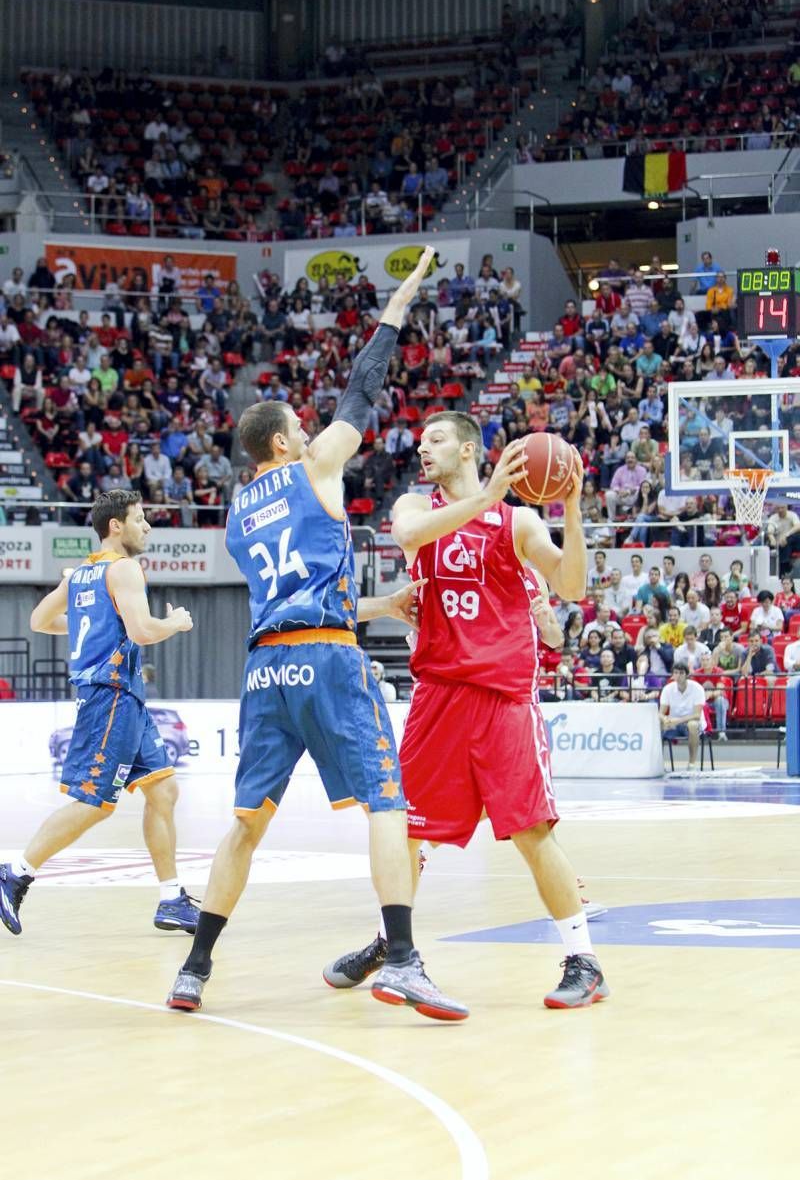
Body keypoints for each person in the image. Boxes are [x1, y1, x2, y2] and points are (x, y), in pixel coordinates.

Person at [166, 247, 469, 1021]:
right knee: (387, 804)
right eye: (299, 428)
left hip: (267, 669)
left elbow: (290, 594)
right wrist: (399, 302)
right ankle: (401, 959)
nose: (312, 432)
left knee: (245, 825)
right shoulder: (313, 468)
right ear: (280, 444)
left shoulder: (238, 514)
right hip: (329, 664)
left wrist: (375, 605)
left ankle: (195, 967)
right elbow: (363, 387)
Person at [324, 411, 609, 1009]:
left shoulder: (519, 521)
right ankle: (392, 944)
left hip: (504, 696)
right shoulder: (413, 508)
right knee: (400, 828)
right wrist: (485, 496)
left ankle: (585, 960)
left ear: (470, 448)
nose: (423, 448)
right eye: (422, 441)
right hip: (437, 695)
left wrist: (574, 507)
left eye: (437, 439)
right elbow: (408, 537)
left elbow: (574, 587)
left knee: (532, 832)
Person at [0, 491, 197, 936]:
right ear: (115, 526)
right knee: (94, 804)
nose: (147, 526)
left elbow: (39, 621)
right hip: (109, 697)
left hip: (126, 697)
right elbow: (145, 631)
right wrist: (177, 622)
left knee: (163, 792)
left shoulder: (82, 575)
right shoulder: (125, 568)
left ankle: (172, 899)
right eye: (140, 519)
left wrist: (94, 618)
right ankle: (15, 871)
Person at [660, 663, 706, 769]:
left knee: (693, 725)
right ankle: (659, 763)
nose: (679, 675)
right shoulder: (667, 689)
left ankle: (691, 764)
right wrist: (664, 719)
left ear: (687, 675)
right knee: (658, 724)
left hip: (691, 721)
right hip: (674, 723)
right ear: (672, 675)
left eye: (681, 673)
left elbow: (697, 715)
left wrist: (678, 721)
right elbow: (660, 713)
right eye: (676, 673)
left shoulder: (697, 688)